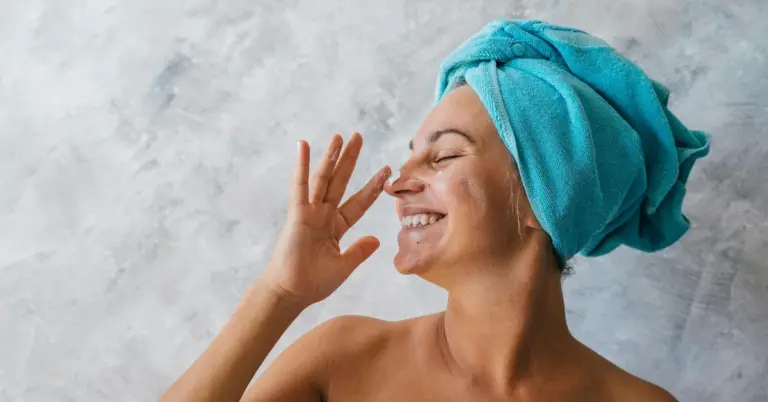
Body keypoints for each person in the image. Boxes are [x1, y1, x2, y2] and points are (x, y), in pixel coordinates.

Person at [160, 20, 709, 402]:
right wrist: (279, 294)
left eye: (443, 156)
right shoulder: (343, 359)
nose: (398, 185)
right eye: (409, 158)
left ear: (544, 201)